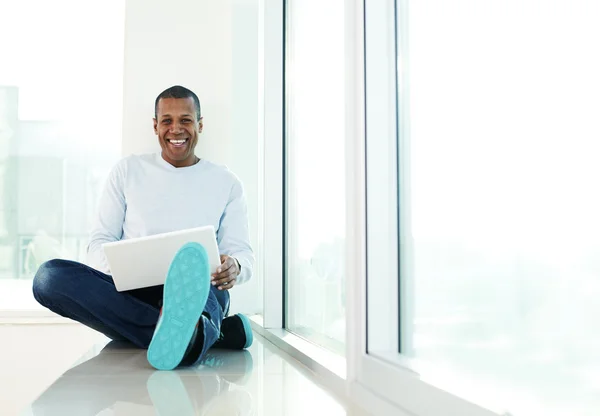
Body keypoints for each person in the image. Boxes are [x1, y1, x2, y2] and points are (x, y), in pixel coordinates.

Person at [32, 85, 254, 370]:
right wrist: (124, 270)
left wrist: (235, 265)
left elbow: (242, 254)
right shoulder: (128, 171)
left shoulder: (227, 182)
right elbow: (100, 240)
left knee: (205, 289)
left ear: (200, 124)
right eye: (167, 121)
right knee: (48, 278)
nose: (176, 129)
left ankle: (189, 332)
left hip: (200, 290)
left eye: (185, 120)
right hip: (134, 292)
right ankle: (202, 335)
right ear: (155, 126)